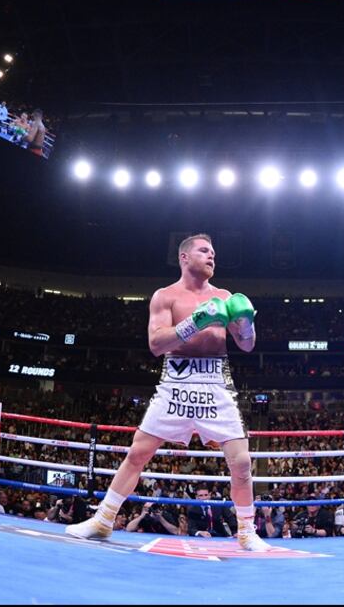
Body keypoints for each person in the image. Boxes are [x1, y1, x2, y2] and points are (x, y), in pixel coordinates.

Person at [66, 234, 272, 551]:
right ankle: (103, 521)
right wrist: (196, 321)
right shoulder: (165, 296)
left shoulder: (224, 295)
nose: (212, 256)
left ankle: (246, 531)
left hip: (216, 383)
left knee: (242, 462)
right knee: (137, 453)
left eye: (214, 252)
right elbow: (156, 344)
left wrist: (246, 324)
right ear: (184, 257)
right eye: (204, 250)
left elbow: (246, 345)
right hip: (176, 381)